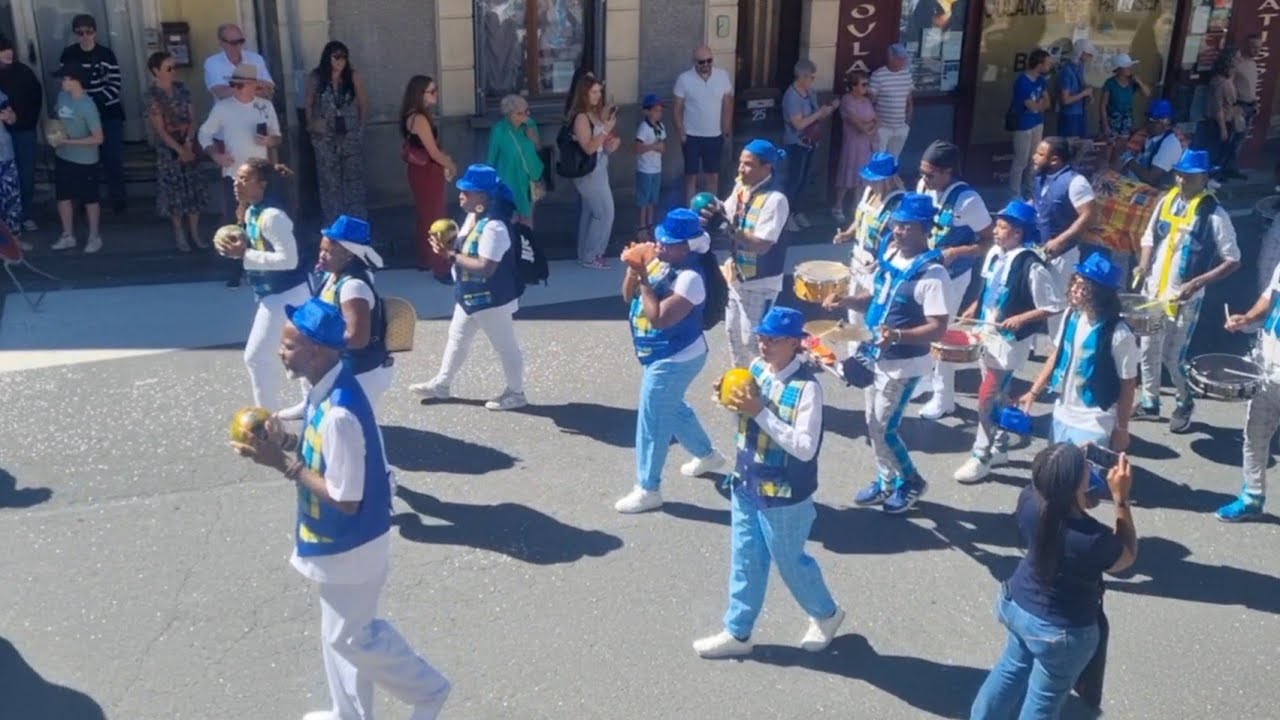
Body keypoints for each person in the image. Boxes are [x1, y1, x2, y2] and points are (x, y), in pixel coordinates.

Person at [230, 298, 452, 720]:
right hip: (338, 541)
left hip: (353, 545)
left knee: (354, 637)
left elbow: (347, 498)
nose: (281, 352)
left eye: (289, 346)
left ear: (316, 350)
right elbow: (327, 457)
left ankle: (429, 691)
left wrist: (281, 462)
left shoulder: (339, 412)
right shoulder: (326, 388)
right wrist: (285, 444)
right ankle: (348, 714)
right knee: (338, 634)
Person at [692, 306, 844, 658]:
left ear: (794, 343)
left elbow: (805, 449)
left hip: (786, 495)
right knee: (745, 558)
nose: (764, 345)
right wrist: (726, 397)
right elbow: (742, 412)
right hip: (747, 482)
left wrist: (759, 410)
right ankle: (738, 631)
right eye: (761, 337)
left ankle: (827, 614)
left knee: (790, 562)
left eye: (773, 340)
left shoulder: (807, 389)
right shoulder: (756, 369)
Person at [970, 443, 1137, 720]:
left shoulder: (1027, 501)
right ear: (1075, 485)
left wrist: (1067, 465)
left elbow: (1070, 498)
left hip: (1017, 605)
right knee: (1043, 701)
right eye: (1085, 467)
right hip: (1060, 633)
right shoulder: (1091, 539)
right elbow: (1127, 557)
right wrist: (1121, 499)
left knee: (1010, 669)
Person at [826, 193, 949, 514]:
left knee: (884, 428)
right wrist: (847, 302)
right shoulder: (892, 255)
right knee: (872, 423)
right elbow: (875, 297)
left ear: (924, 230)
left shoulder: (934, 275)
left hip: (903, 366)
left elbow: (938, 328)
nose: (897, 231)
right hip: (872, 355)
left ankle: (911, 480)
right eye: (897, 224)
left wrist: (897, 335)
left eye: (906, 227)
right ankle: (886, 480)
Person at [614, 209, 726, 514]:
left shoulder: (690, 278)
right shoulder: (660, 261)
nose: (659, 246)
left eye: (668, 243)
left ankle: (648, 488)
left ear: (686, 247)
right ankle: (708, 455)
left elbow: (660, 318)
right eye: (659, 239)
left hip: (676, 358)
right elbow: (626, 297)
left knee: (652, 420)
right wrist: (633, 270)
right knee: (672, 407)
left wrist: (645, 279)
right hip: (661, 354)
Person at [953, 200, 1064, 483]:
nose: (996, 231)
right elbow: (989, 287)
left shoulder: (1031, 265)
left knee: (986, 397)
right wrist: (974, 308)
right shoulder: (993, 254)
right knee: (997, 394)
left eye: (1003, 228)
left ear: (1018, 233)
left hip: (1009, 342)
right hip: (986, 332)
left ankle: (982, 455)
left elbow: (1052, 305)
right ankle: (1000, 446)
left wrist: (1023, 318)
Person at [1132, 149, 1241, 433]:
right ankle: (1150, 402)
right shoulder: (1166, 200)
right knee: (1147, 348)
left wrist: (1196, 283)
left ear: (1204, 178)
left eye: (1189, 176)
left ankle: (1185, 400)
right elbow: (1148, 236)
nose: (1181, 180)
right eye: (1179, 174)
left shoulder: (1215, 214)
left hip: (1186, 299)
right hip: (1154, 291)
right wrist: (1143, 263)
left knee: (1173, 356)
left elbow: (1233, 260)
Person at [409, 165, 527, 411]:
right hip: (469, 296)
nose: (460, 194)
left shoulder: (495, 227)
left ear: (482, 197)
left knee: (505, 347)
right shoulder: (472, 218)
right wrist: (448, 245)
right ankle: (442, 384)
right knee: (457, 337)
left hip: (491, 299)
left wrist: (449, 255)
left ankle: (516, 393)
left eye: (467, 191)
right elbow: (464, 249)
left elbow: (485, 267)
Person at [217, 159, 311, 412]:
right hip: (275, 293)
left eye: (245, 179)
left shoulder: (273, 216)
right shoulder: (252, 211)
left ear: (263, 185)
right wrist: (234, 241)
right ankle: (312, 403)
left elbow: (289, 260)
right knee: (301, 350)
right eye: (237, 178)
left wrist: (244, 255)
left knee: (257, 358)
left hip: (287, 294)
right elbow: (255, 244)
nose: (237, 183)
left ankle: (266, 422)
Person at [1020, 252, 1138, 453]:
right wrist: (1033, 392)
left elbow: (1128, 384)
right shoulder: (1071, 315)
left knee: (1084, 478)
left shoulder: (1119, 333)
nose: (1074, 289)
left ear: (1100, 294)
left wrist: (1122, 428)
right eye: (1075, 282)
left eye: (1084, 287)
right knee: (1057, 474)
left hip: (1095, 420)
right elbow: (1056, 355)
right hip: (1062, 413)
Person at [916, 140, 993, 420]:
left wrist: (958, 251)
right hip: (925, 273)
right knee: (920, 329)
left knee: (940, 334)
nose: (924, 180)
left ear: (948, 172)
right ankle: (925, 378)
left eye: (930, 174)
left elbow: (989, 240)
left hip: (953, 277)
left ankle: (943, 397)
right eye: (922, 173)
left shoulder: (968, 200)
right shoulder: (925, 188)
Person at [303, 215, 392, 412]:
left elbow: (357, 339)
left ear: (350, 255)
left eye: (329, 251)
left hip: (360, 372)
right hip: (338, 364)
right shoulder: (333, 275)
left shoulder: (353, 287)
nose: (322, 256)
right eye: (321, 249)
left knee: (352, 430)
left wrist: (316, 342)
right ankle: (310, 404)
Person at [717, 139, 790, 369]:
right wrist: (710, 208)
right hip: (737, 276)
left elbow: (762, 245)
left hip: (761, 283)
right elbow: (726, 212)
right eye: (740, 162)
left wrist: (730, 231)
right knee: (733, 335)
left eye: (748, 164)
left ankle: (766, 385)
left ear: (766, 167)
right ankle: (740, 383)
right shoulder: (741, 188)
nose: (740, 169)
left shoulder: (776, 200)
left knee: (755, 342)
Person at [1221, 259, 1280, 521]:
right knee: (1254, 435)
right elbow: (1270, 296)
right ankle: (1252, 497)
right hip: (1268, 366)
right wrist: (1248, 317)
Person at [1031, 136, 1096, 350]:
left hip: (1062, 255)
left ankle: (1060, 352)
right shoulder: (1040, 178)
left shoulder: (1076, 182)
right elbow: (1040, 204)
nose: (1034, 157)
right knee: (1033, 298)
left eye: (1040, 154)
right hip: (1037, 250)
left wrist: (1061, 240)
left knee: (1058, 305)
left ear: (1055, 160)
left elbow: (1088, 216)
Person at [198, 63, 282, 224]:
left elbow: (277, 137)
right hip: (234, 175)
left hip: (261, 176)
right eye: (232, 84)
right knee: (236, 222)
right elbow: (204, 133)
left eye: (239, 85)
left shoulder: (265, 106)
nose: (234, 88)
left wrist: (270, 141)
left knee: (265, 222)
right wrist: (216, 155)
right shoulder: (223, 107)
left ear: (253, 85)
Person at [59, 14, 125, 213]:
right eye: (80, 32)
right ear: (75, 34)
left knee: (112, 158)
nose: (85, 36)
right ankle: (84, 201)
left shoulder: (106, 54)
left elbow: (115, 84)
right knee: (82, 161)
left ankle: (118, 200)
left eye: (89, 31)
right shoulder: (69, 54)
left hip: (108, 113)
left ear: (95, 32)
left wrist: (92, 104)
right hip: (79, 116)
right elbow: (65, 85)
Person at [833, 151, 905, 329]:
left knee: (869, 309)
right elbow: (860, 219)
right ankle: (854, 349)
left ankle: (868, 347)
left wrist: (881, 261)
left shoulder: (898, 203)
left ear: (887, 179)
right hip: (858, 259)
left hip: (876, 264)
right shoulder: (868, 192)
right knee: (852, 308)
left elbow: (899, 240)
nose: (868, 182)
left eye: (873, 179)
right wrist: (848, 233)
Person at [145, 51, 208, 253]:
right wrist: (179, 149)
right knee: (175, 193)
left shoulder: (182, 89)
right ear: (156, 71)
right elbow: (160, 130)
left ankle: (196, 233)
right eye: (168, 68)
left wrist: (189, 143)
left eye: (174, 67)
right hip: (169, 151)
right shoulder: (153, 96)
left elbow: (193, 118)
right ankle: (179, 233)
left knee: (193, 190)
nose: (173, 72)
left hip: (187, 143)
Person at [305, 41, 369, 224]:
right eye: (336, 57)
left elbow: (363, 103)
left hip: (349, 133)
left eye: (344, 57)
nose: (340, 61)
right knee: (329, 180)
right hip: (325, 136)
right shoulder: (317, 77)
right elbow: (308, 103)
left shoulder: (353, 77)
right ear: (328, 57)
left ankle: (356, 222)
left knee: (353, 180)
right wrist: (311, 126)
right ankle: (333, 221)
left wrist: (360, 128)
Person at [400, 75, 457, 279]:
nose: (436, 95)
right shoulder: (420, 118)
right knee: (436, 217)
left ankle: (426, 259)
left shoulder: (416, 115)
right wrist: (450, 164)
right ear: (420, 94)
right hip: (427, 171)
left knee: (426, 216)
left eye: (436, 90)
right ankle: (440, 267)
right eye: (431, 91)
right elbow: (433, 152)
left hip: (423, 170)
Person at [48, 63, 103, 254]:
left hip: (86, 160)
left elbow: (98, 137)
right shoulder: (62, 97)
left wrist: (69, 142)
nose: (62, 83)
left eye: (65, 79)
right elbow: (57, 117)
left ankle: (94, 236)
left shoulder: (87, 106)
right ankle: (67, 235)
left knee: (90, 199)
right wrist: (54, 134)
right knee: (63, 197)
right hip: (63, 156)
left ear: (75, 81)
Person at [568, 74, 620, 269]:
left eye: (600, 91)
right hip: (588, 172)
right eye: (594, 92)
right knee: (605, 213)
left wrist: (610, 144)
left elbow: (598, 146)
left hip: (598, 166)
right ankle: (592, 255)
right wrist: (606, 131)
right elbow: (588, 147)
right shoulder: (581, 117)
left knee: (591, 212)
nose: (598, 96)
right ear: (584, 94)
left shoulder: (593, 115)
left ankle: (586, 255)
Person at [781, 59, 838, 231]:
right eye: (811, 77)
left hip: (810, 142)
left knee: (804, 180)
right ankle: (787, 215)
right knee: (794, 180)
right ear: (802, 76)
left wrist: (829, 109)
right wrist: (819, 113)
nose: (813, 80)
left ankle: (798, 212)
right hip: (795, 144)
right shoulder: (791, 96)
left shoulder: (810, 92)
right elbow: (798, 124)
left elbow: (817, 114)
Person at [673, 45, 733, 202]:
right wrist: (681, 132)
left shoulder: (722, 76)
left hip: (714, 135)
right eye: (701, 62)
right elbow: (677, 108)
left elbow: (728, 102)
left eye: (709, 60)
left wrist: (726, 127)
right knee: (690, 176)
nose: (706, 64)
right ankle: (690, 212)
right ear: (694, 62)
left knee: (713, 175)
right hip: (691, 136)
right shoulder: (684, 79)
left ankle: (711, 210)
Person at [0, 35, 43, 233]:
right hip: (2, 136)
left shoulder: (24, 72)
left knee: (25, 174)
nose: (8, 53)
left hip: (23, 131)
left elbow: (36, 100)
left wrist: (22, 120)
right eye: (2, 50)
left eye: (9, 48)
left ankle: (25, 214)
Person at [486, 93, 544, 227]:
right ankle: (514, 247)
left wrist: (534, 138)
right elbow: (491, 158)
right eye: (521, 113)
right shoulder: (499, 130)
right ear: (509, 114)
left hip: (530, 180)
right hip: (509, 181)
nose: (526, 115)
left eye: (527, 111)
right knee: (511, 220)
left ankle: (527, 245)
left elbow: (539, 147)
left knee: (528, 219)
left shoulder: (530, 124)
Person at [832, 70, 877, 223]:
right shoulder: (847, 100)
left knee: (862, 177)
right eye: (863, 84)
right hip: (852, 142)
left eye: (867, 84)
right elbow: (858, 125)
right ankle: (837, 206)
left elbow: (877, 120)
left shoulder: (867, 101)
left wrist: (868, 126)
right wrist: (868, 126)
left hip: (866, 143)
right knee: (847, 174)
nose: (866, 87)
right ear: (853, 86)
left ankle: (856, 207)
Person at [1008, 49, 1053, 199]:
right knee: (1020, 160)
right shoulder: (1022, 82)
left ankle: (1030, 189)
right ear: (1039, 64)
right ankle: (1014, 194)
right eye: (1047, 63)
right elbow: (1032, 106)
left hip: (1037, 123)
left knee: (1034, 158)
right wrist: (1039, 104)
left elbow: (1047, 103)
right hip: (1023, 125)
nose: (1049, 66)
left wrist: (1039, 104)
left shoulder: (1041, 80)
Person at [1197, 50, 1244, 182]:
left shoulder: (1229, 78)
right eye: (1236, 58)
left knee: (1223, 150)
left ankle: (1216, 175)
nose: (1239, 61)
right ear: (1228, 60)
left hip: (1229, 119)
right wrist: (1222, 128)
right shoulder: (1219, 81)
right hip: (1218, 122)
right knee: (1214, 151)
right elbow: (1217, 107)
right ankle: (1208, 178)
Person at [1117, 99, 1180, 189]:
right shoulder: (1152, 137)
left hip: (1156, 193)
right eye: (1148, 119)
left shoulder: (1171, 144)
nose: (1148, 123)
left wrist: (1128, 159)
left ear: (1166, 121)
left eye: (1152, 120)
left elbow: (1150, 178)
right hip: (1136, 186)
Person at [204, 23, 275, 101]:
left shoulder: (256, 58)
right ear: (221, 43)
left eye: (241, 41)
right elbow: (221, 93)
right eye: (233, 42)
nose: (238, 45)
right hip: (228, 112)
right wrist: (255, 85)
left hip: (257, 110)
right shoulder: (213, 62)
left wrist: (235, 88)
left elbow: (269, 89)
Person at [868, 44, 914, 159]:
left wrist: (906, 124)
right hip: (882, 128)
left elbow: (909, 100)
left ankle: (890, 178)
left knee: (893, 161)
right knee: (879, 161)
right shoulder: (878, 75)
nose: (903, 62)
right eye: (900, 59)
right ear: (891, 58)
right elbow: (870, 103)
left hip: (901, 127)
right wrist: (876, 125)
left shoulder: (906, 74)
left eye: (905, 59)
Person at [634, 93, 667, 236]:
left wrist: (660, 147)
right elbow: (637, 148)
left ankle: (650, 223)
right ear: (647, 111)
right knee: (644, 199)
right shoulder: (643, 128)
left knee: (653, 198)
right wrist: (653, 147)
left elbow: (663, 146)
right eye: (655, 110)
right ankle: (642, 226)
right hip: (645, 169)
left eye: (660, 110)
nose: (659, 113)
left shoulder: (661, 126)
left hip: (656, 168)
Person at [1099, 53, 1148, 140]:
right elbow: (1103, 105)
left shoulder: (1133, 82)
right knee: (1109, 144)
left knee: (1122, 145)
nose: (1129, 69)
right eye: (1126, 66)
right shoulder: (1110, 83)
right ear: (1118, 69)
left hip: (1126, 119)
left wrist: (1140, 82)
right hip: (1112, 119)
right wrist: (1105, 124)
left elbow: (1147, 94)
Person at [1058, 40, 1095, 139]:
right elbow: (1065, 100)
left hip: (1081, 112)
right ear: (1081, 53)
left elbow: (1082, 85)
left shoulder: (1080, 66)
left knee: (1080, 145)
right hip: (1070, 115)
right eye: (1089, 54)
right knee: (1070, 147)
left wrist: (1089, 93)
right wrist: (1083, 93)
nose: (1091, 57)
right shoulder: (1067, 71)